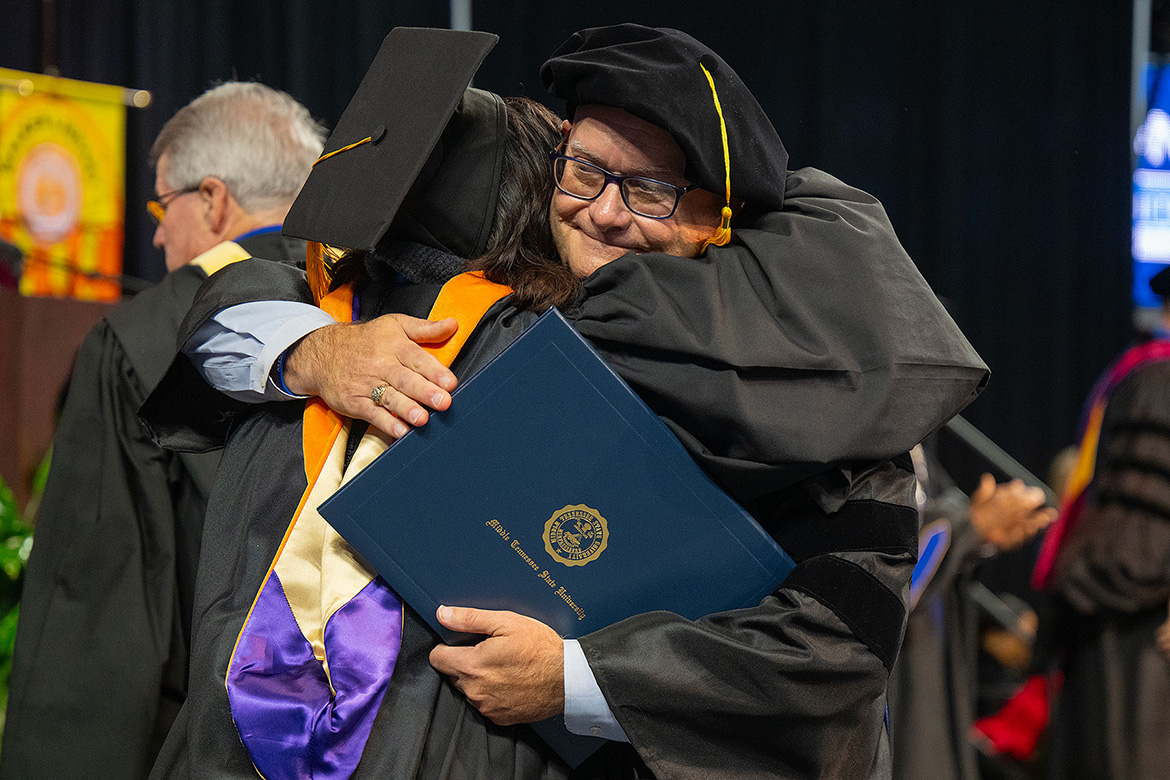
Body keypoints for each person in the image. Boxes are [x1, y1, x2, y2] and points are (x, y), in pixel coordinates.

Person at [144, 26, 988, 780]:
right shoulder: (506, 306)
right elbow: (246, 300)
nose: (604, 214)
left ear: (720, 218)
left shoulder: (805, 392)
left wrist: (579, 679)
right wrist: (316, 351)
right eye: (585, 170)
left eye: (650, 190)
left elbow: (833, 655)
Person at [0, 81, 325, 780]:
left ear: (212, 200)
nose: (155, 233)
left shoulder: (143, 338)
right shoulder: (381, 311)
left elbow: (95, 612)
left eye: (162, 205)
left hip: (208, 746)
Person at [1020, 266, 1170, 780]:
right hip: (1137, 624)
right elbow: (1141, 511)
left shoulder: (1140, 376)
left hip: (1127, 612)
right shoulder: (1154, 380)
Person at [889, 443, 1055, 780]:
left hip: (929, 661)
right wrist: (970, 524)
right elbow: (890, 581)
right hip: (896, 684)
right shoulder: (867, 441)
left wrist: (979, 535)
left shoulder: (915, 449)